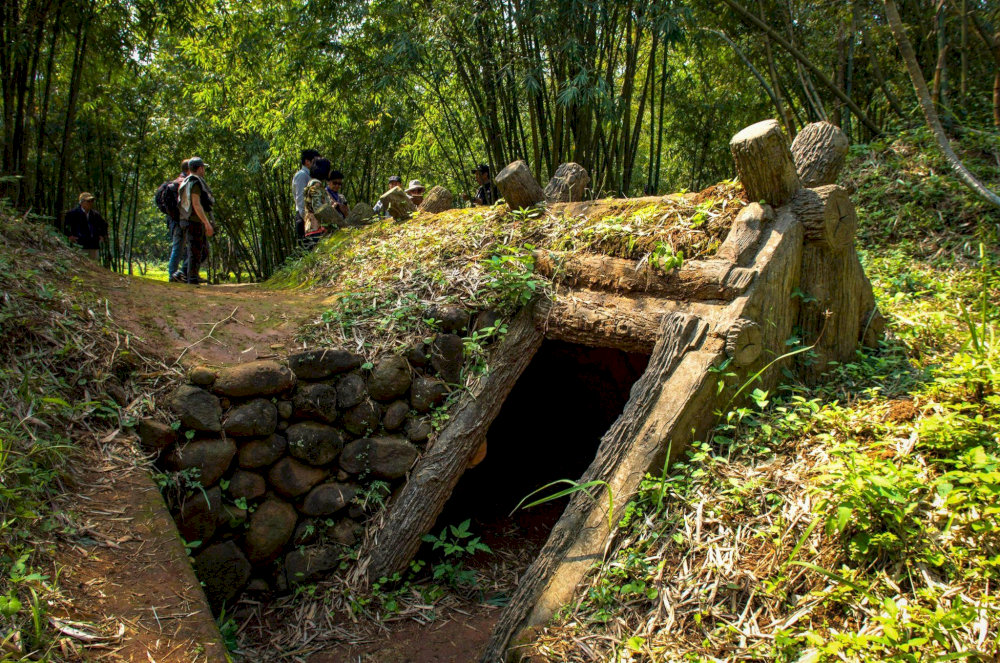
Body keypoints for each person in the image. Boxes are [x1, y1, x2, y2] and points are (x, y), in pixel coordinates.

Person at [178, 157, 215, 284]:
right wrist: (206, 222)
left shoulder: (185, 181)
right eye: (203, 168)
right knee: (195, 250)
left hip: (186, 219)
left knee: (202, 250)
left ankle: (185, 274)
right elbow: (196, 203)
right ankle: (191, 278)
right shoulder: (195, 181)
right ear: (199, 168)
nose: (204, 170)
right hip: (193, 220)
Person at [155, 159, 189, 282]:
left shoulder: (176, 182)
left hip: (174, 220)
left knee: (180, 247)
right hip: (179, 220)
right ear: (189, 169)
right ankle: (173, 275)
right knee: (178, 247)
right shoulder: (182, 183)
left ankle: (178, 274)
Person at [303, 158, 337, 246]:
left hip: (310, 228)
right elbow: (318, 208)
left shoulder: (311, 184)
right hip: (317, 229)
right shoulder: (316, 185)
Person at [65, 192, 108, 262]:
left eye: (92, 201)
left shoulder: (95, 214)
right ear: (81, 202)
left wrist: (101, 235)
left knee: (94, 265)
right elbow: (65, 226)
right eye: (88, 201)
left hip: (93, 245)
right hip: (80, 244)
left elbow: (104, 225)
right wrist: (69, 236)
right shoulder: (73, 213)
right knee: (81, 264)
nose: (90, 203)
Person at [293, 149, 320, 242]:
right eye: (315, 161)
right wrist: (306, 218)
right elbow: (300, 199)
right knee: (307, 246)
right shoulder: (302, 175)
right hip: (304, 217)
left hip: (311, 217)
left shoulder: (310, 176)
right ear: (307, 161)